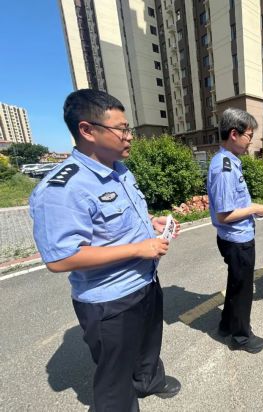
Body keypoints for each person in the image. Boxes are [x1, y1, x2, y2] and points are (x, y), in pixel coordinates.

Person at [29, 89, 181, 411]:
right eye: (121, 129)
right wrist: (137, 249)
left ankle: (149, 380)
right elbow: (61, 258)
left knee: (148, 344)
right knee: (115, 378)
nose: (129, 136)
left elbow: (117, 221)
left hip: (145, 281)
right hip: (110, 299)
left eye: (128, 129)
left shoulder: (119, 170)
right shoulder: (63, 188)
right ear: (87, 130)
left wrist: (151, 223)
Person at [207, 108, 263, 354]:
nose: (250, 142)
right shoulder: (224, 167)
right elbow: (224, 215)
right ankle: (241, 337)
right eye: (249, 136)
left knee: (236, 284)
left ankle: (226, 325)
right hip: (237, 239)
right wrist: (254, 209)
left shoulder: (229, 161)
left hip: (235, 237)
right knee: (243, 290)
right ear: (234, 134)